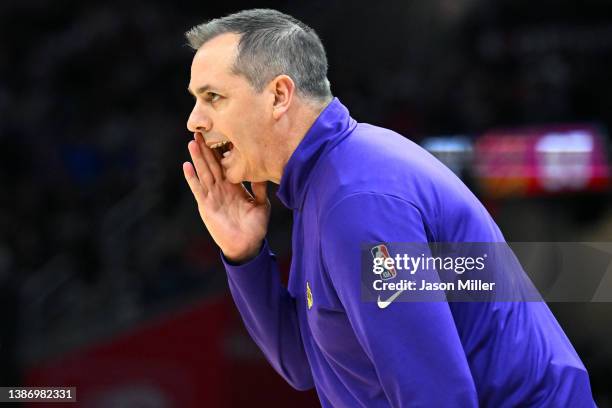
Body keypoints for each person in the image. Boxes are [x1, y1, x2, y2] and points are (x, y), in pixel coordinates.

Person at [182, 8, 595, 407]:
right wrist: (245, 254)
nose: (194, 120)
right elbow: (309, 364)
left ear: (278, 95)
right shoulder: (328, 181)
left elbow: (438, 399)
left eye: (213, 97)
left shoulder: (358, 201)